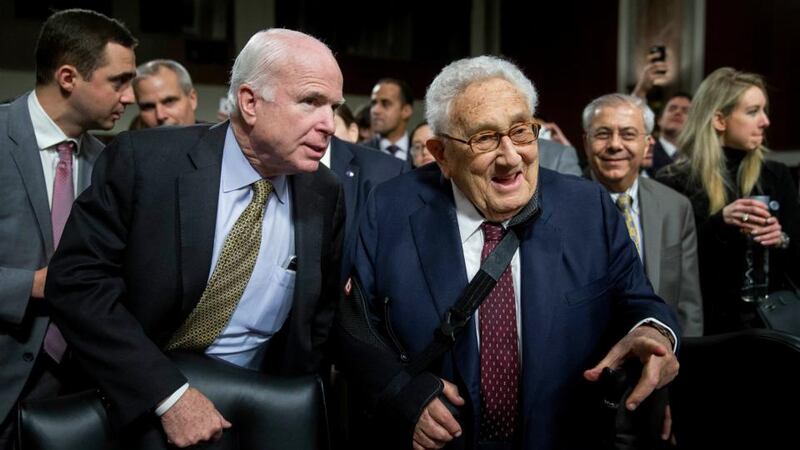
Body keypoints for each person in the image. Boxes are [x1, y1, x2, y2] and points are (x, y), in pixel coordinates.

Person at [337, 56, 679, 450]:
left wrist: (653, 332)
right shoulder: (390, 209)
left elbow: (638, 300)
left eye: (521, 131)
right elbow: (353, 327)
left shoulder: (588, 209)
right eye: (484, 138)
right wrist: (401, 392)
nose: (511, 157)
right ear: (441, 154)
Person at [45, 28, 345, 447]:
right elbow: (76, 284)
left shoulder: (323, 192)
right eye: (311, 102)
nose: (329, 124)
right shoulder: (144, 164)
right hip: (133, 405)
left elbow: (317, 323)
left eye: (334, 107)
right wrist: (169, 396)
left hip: (256, 414)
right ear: (250, 102)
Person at [0, 9, 137, 449]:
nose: (130, 96)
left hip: (80, 393)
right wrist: (33, 286)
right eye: (119, 81)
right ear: (67, 77)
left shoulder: (111, 165)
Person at [657, 67, 800, 334]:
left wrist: (781, 239)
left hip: (771, 326)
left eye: (764, 110)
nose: (765, 121)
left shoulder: (776, 175)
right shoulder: (675, 180)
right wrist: (720, 222)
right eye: (753, 111)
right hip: (708, 327)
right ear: (719, 120)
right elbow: (669, 266)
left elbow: (796, 256)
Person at [582, 93, 703, 336]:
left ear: (647, 144)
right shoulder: (560, 205)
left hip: (661, 356)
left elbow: (688, 304)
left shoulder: (676, 207)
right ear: (586, 142)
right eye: (603, 134)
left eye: (628, 134)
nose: (615, 144)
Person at [363, 78, 414, 168]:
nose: (375, 110)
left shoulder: (423, 152)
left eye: (385, 103)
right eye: (374, 103)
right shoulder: (360, 152)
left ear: (406, 111)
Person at [132, 59, 198, 127]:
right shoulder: (129, 137)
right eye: (148, 107)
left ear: (192, 99)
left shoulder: (209, 136)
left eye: (169, 101)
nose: (160, 116)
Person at [647, 93, 691, 176]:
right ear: (659, 120)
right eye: (672, 109)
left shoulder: (700, 159)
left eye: (685, 111)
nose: (678, 112)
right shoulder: (646, 153)